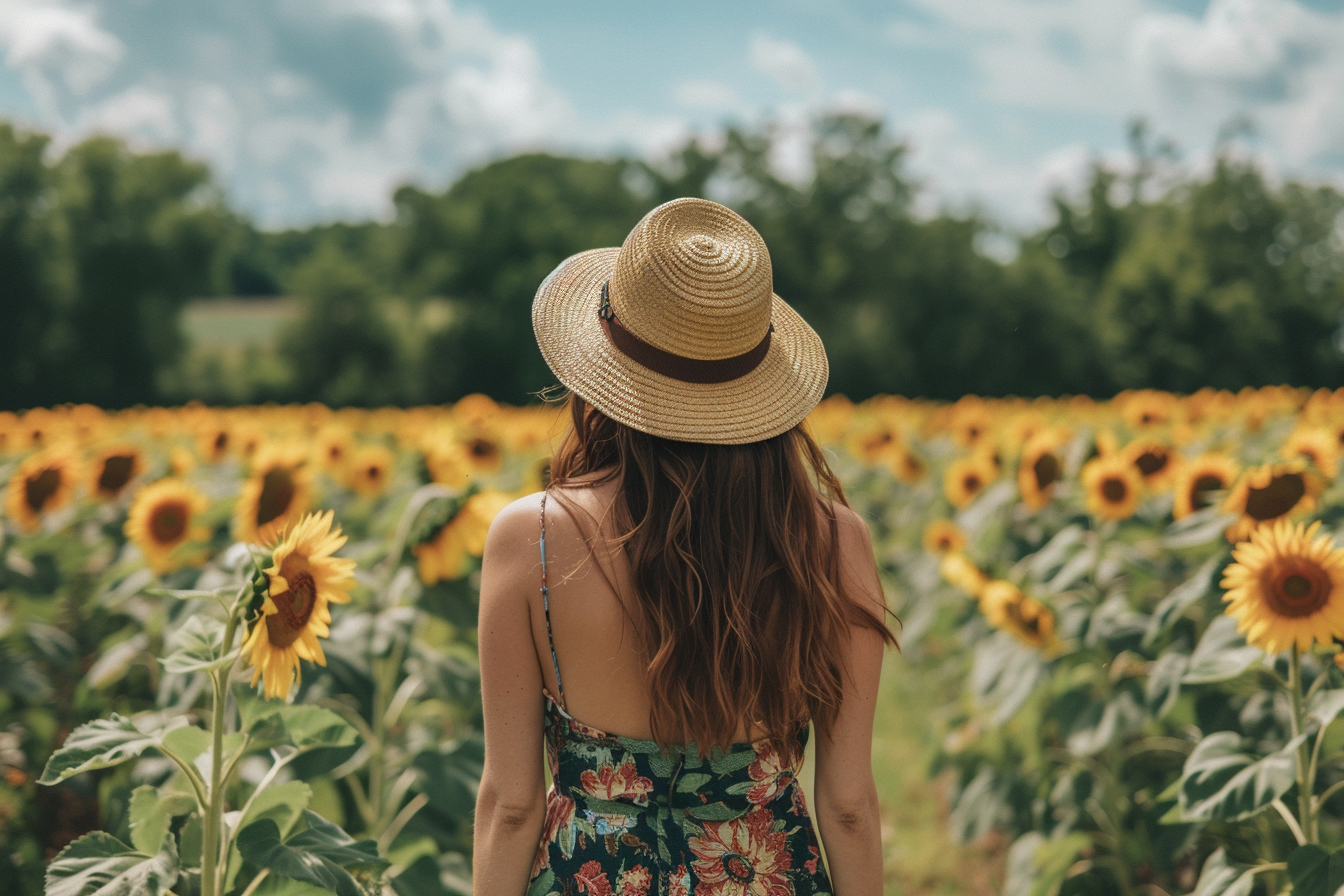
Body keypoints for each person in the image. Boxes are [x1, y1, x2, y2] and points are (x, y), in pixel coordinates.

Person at [472, 197, 898, 895]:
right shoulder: (832, 542)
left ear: (603, 369)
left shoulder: (533, 539)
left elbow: (511, 805)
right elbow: (848, 807)